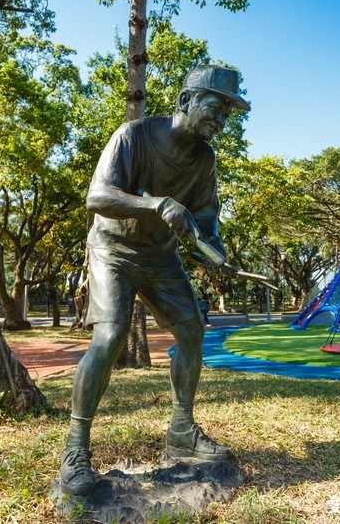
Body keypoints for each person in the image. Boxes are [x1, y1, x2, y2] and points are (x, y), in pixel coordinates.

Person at [59, 65, 250, 496]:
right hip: (113, 253)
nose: (222, 119)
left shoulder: (205, 159)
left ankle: (182, 429)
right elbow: (97, 197)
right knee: (109, 338)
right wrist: (158, 204)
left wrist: (212, 247)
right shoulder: (133, 136)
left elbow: (204, 215)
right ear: (186, 101)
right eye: (217, 107)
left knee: (192, 331)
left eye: (229, 113)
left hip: (161, 259)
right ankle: (76, 448)